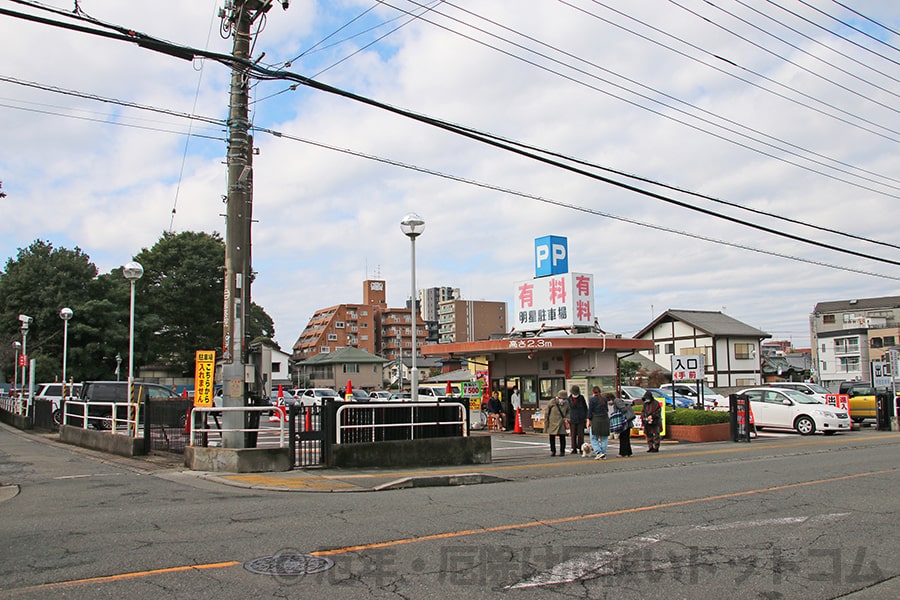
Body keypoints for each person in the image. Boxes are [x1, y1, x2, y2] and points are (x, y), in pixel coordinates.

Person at [545, 390, 570, 456]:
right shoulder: (552, 402)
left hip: (561, 422)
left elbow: (568, 412)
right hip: (552, 422)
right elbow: (547, 413)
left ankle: (562, 451)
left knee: (562, 437)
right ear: (558, 397)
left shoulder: (566, 403)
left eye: (565, 399)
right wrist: (546, 423)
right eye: (562, 399)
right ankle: (553, 451)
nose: (563, 400)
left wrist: (567, 418)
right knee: (552, 437)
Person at [587, 386, 609, 459]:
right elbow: (607, 409)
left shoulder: (592, 400)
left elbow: (590, 412)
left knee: (593, 438)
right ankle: (604, 453)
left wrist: (588, 421)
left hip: (596, 419)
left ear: (593, 392)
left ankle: (598, 452)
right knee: (604, 438)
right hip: (605, 419)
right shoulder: (605, 399)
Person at [611, 391, 635, 457]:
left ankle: (623, 453)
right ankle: (628, 452)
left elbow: (623, 409)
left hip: (624, 422)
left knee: (623, 437)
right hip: (626, 422)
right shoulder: (618, 401)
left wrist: (617, 413)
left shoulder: (617, 401)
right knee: (626, 437)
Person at [568, 385, 588, 455]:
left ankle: (580, 447)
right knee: (573, 434)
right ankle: (573, 448)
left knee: (580, 434)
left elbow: (585, 408)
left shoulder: (581, 398)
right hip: (572, 418)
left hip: (581, 418)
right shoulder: (569, 399)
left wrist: (586, 417)